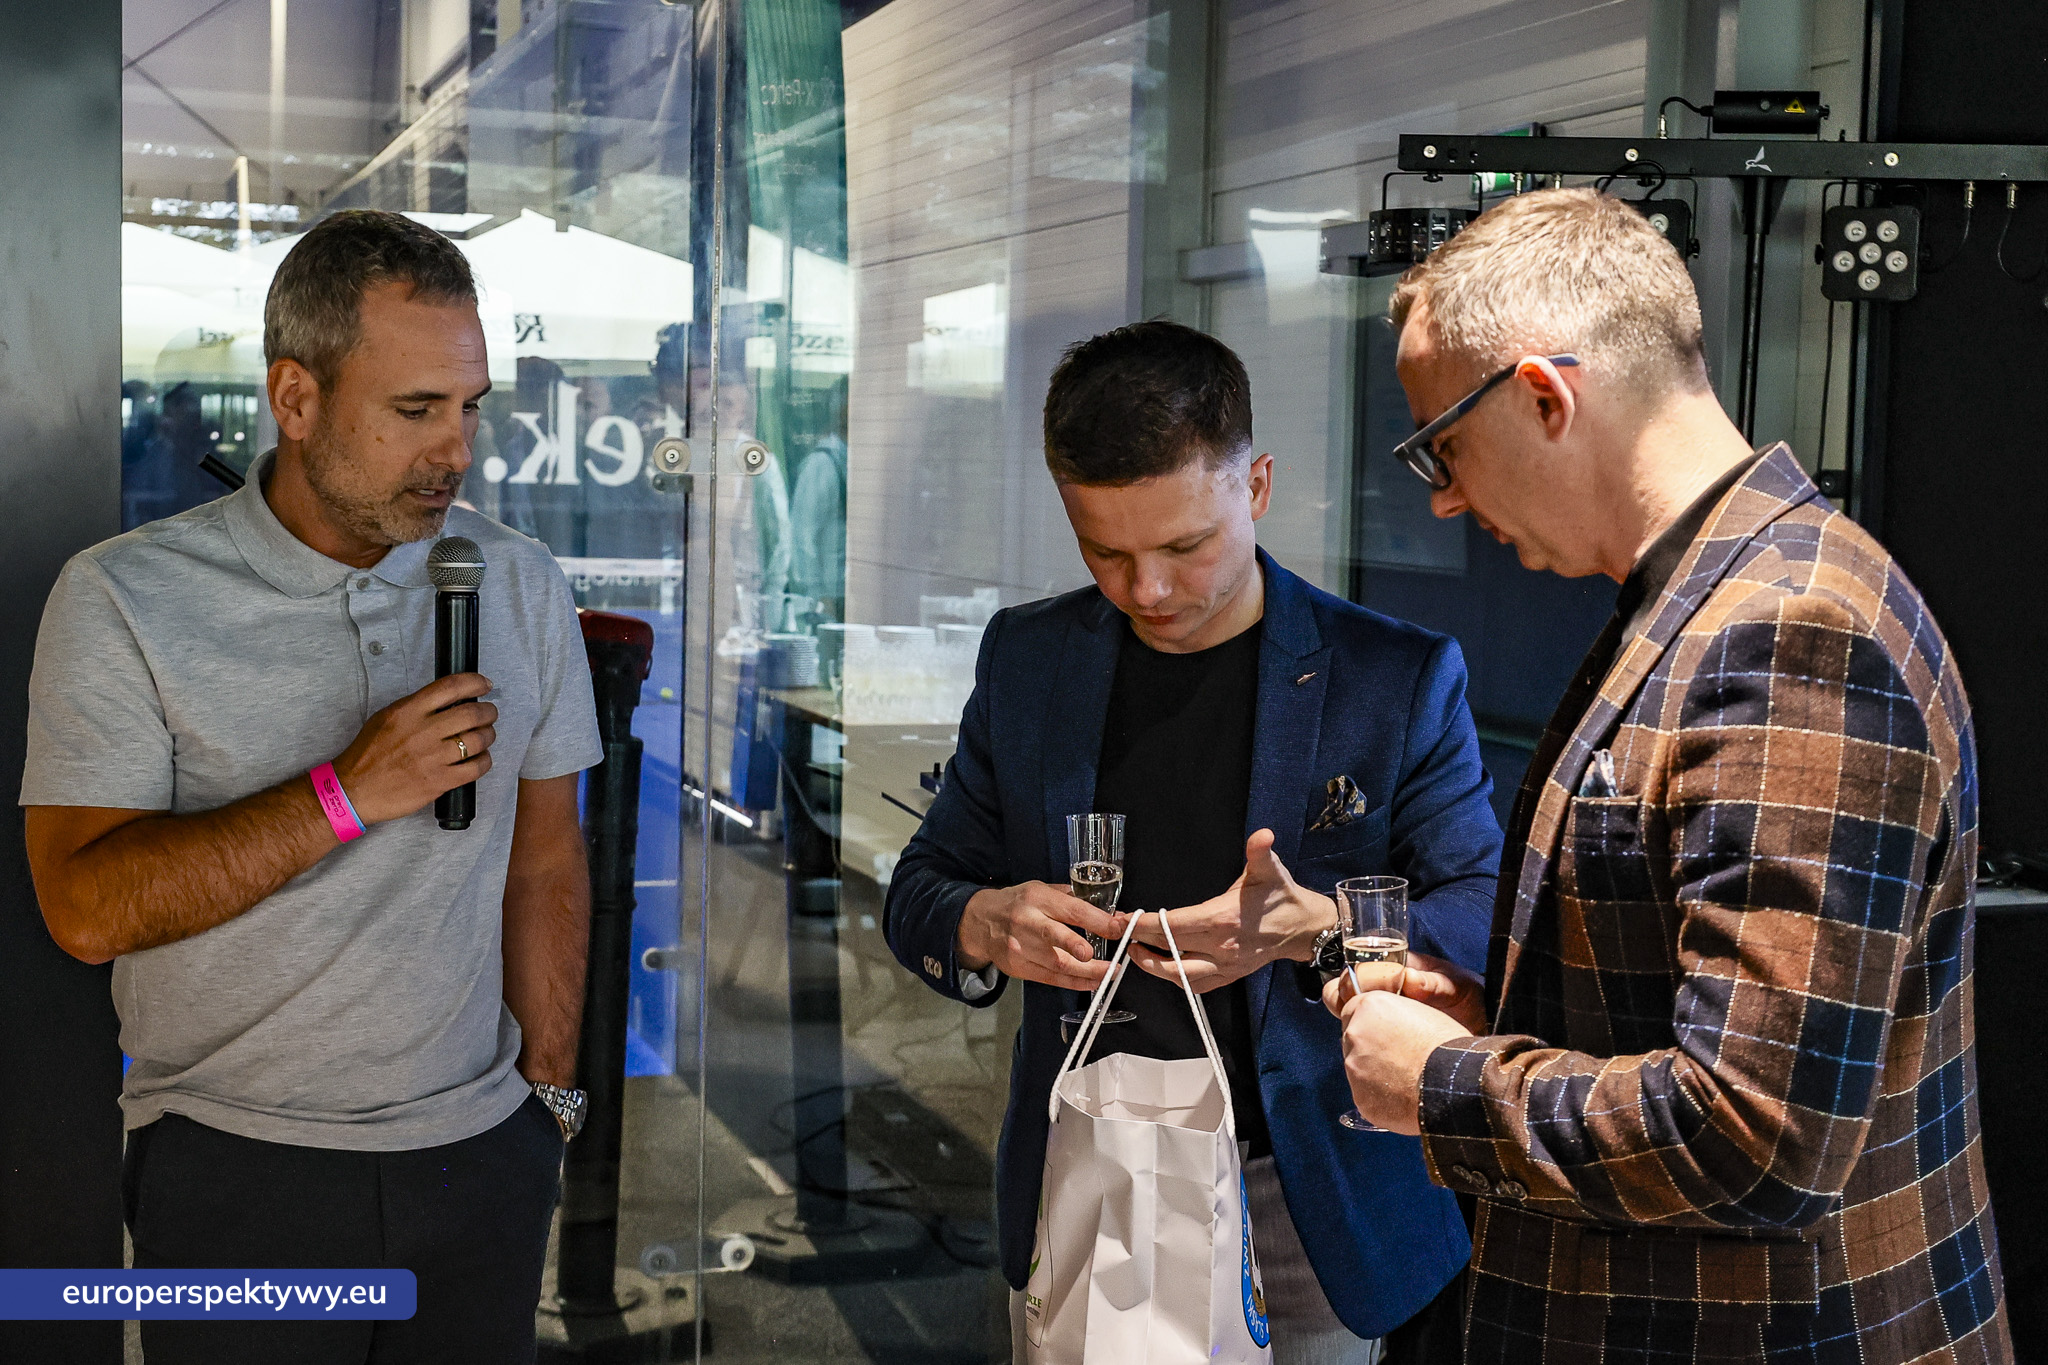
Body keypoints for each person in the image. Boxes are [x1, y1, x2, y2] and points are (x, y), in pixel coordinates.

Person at [1327, 188, 2011, 1363]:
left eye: (1441, 446)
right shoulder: (1718, 592)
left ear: (1543, 396)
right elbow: (1698, 1020)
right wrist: (1502, 1026)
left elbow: (1755, 1136)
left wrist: (1445, 1084)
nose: (1441, 496)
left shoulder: (1788, 632)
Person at [21, 209, 603, 1364]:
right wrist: (345, 792)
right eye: (414, 411)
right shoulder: (125, 598)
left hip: (481, 1155)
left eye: (471, 406)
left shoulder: (518, 582)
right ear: (295, 400)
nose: (458, 451)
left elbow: (545, 857)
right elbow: (83, 911)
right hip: (242, 1168)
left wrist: (549, 1107)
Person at [884, 321, 1504, 1363]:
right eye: (1105, 552)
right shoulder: (1031, 660)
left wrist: (1316, 928)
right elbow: (921, 893)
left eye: (1183, 546)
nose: (1147, 591)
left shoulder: (1388, 678)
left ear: (1254, 486)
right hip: (1088, 1168)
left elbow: (1484, 911)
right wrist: (987, 923)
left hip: (1308, 1193)